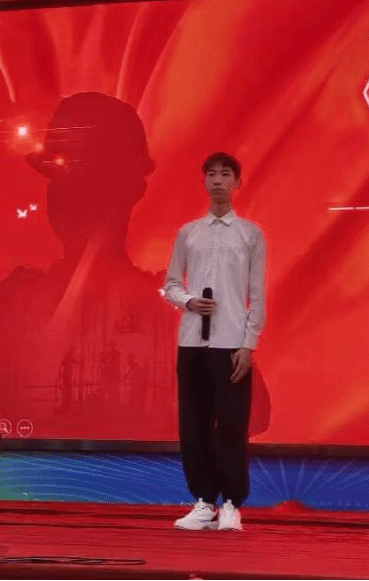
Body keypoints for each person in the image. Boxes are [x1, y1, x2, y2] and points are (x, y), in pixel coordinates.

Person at [163, 152, 268, 532]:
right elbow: (170, 285)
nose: (218, 181)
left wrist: (248, 343)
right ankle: (204, 501)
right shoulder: (188, 233)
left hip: (231, 342)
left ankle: (232, 504)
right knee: (193, 423)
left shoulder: (250, 234)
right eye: (212, 174)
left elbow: (257, 293)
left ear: (237, 183)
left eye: (226, 174)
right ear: (204, 182)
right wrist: (189, 301)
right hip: (192, 341)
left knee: (232, 425)